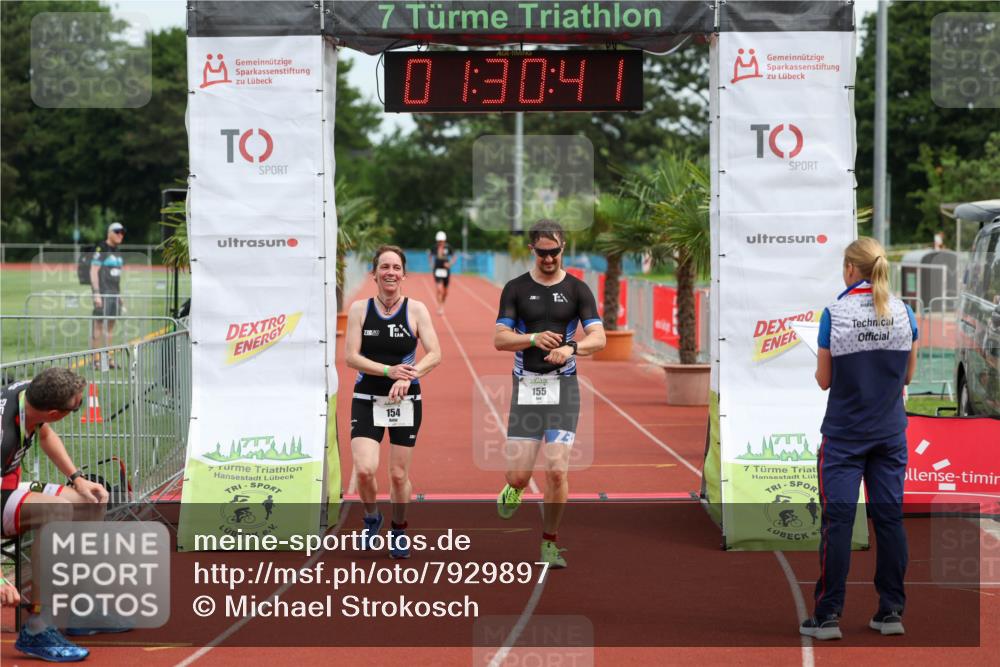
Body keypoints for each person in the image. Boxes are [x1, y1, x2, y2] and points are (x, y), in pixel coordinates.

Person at [800, 237, 918, 641]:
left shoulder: (835, 313)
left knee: (838, 524)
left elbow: (824, 380)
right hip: (889, 434)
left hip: (845, 437)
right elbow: (908, 377)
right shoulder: (905, 312)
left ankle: (828, 616)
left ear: (851, 269)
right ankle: (891, 612)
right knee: (889, 521)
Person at [494, 220, 606, 569]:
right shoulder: (515, 288)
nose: (549, 258)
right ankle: (514, 487)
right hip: (527, 388)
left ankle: (549, 543)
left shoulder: (577, 289)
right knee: (519, 476)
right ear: (532, 250)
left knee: (557, 470)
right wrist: (531, 339)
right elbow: (499, 339)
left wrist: (572, 348)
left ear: (563, 248)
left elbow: (599, 337)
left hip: (563, 388)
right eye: (542, 252)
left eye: (554, 251)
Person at [2, 367, 112, 661]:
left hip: (9, 486)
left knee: (92, 500)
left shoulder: (27, 394)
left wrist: (77, 478)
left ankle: (79, 608)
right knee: (57, 511)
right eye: (76, 408)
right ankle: (37, 627)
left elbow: (45, 433)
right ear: (55, 412)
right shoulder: (3, 436)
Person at [345, 245, 441, 559]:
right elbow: (351, 358)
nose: (390, 272)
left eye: (396, 267)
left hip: (406, 401)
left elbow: (435, 354)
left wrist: (408, 377)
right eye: (384, 267)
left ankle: (399, 530)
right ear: (374, 274)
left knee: (399, 475)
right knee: (365, 470)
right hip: (367, 397)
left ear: (403, 274)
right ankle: (372, 517)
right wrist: (388, 370)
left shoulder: (417, 310)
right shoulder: (360, 309)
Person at [90, 222, 126, 368]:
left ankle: (108, 359)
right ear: (109, 232)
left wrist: (120, 297)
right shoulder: (101, 248)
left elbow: (117, 276)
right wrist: (96, 294)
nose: (120, 235)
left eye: (122, 232)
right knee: (98, 326)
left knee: (110, 328)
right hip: (103, 293)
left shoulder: (117, 250)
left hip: (114, 294)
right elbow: (93, 271)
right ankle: (96, 360)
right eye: (117, 231)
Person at [429, 231, 454, 315]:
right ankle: (440, 307)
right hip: (437, 269)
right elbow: (430, 255)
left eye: (442, 240)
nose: (440, 242)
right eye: (439, 241)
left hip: (446, 271)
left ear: (444, 240)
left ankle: (442, 303)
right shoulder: (434, 247)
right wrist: (432, 264)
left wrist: (450, 264)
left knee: (445, 292)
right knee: (439, 289)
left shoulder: (448, 247)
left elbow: (454, 256)